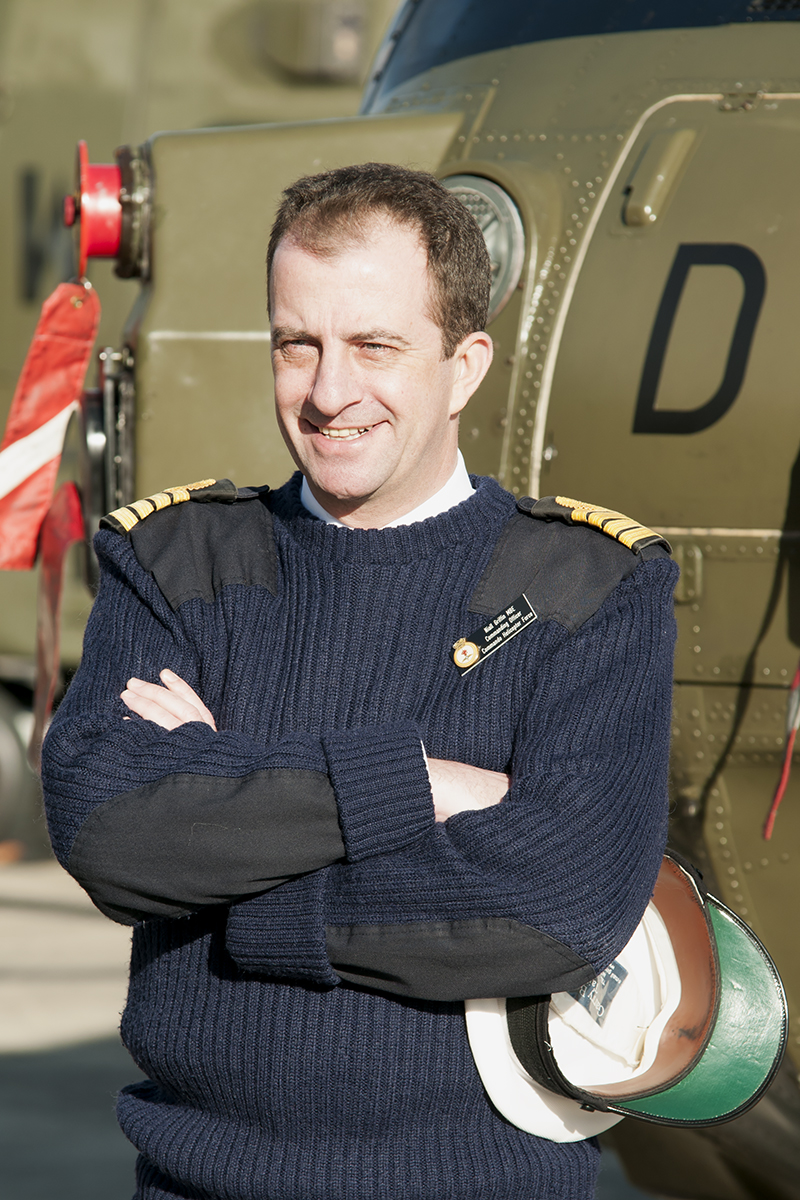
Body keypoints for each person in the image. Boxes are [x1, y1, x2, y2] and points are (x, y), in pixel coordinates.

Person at [41, 163, 678, 1200]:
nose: (329, 392)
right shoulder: (177, 561)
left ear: (464, 366)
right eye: (298, 343)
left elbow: (556, 907)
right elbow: (113, 834)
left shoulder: (584, 587)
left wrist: (232, 856)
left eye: (375, 346)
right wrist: (417, 783)